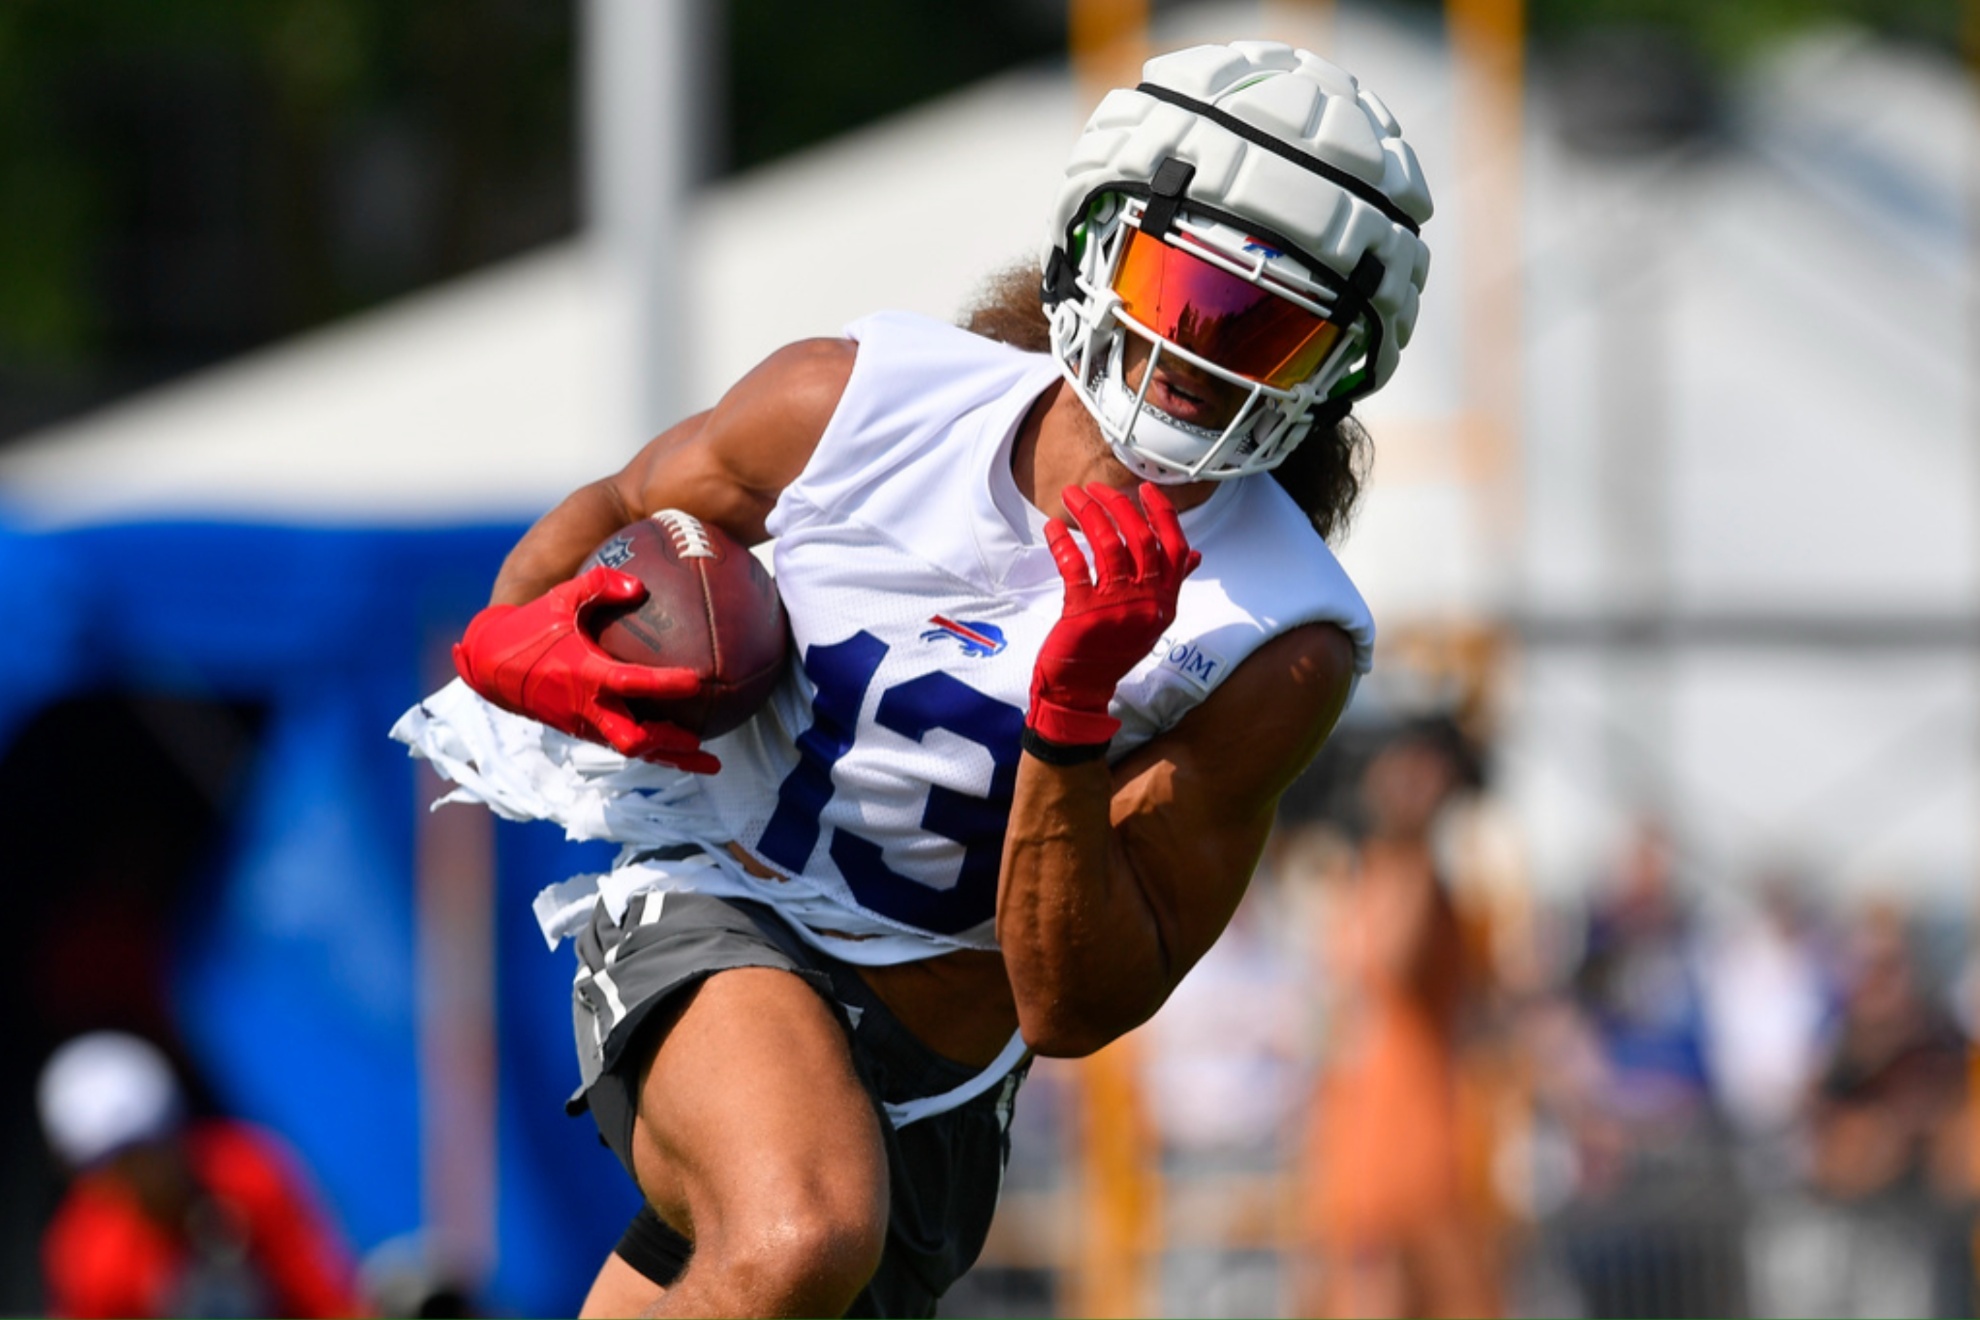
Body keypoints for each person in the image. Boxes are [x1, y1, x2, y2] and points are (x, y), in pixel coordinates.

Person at [394, 39, 1432, 1318]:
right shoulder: (855, 404)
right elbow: (619, 504)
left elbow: (1070, 1003)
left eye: (1268, 334)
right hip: (724, 902)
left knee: (766, 1251)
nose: (1201, 357)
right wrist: (510, 635)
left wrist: (1070, 710)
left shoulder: (1278, 639)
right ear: (1095, 245)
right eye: (1185, 291)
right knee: (801, 1230)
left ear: (1340, 371)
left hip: (941, 1067)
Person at [36, 1031, 365, 1319]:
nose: (133, 1177)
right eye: (103, 1164)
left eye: (139, 1152)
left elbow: (330, 1302)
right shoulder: (89, 1249)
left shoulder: (248, 1174)